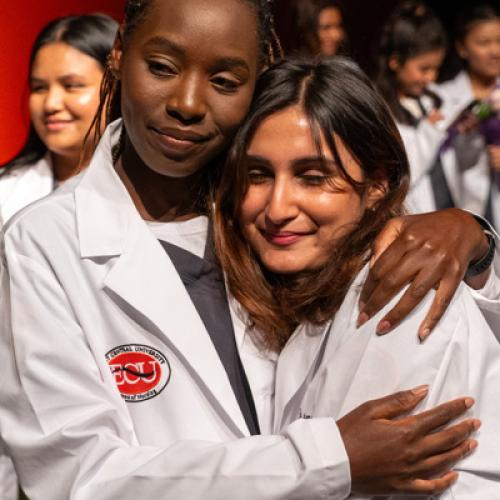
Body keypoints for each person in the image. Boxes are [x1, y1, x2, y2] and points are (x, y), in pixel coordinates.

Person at [0, 0, 496, 498]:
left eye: (225, 81)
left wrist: (473, 236)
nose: (188, 103)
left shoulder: (263, 218)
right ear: (119, 56)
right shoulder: (43, 242)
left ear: (257, 81)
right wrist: (328, 459)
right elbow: (79, 477)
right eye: (161, 67)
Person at [214, 56, 500, 497]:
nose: (277, 208)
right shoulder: (283, 291)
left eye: (313, 177)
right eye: (258, 175)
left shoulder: (406, 299)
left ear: (378, 182)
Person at [0, 14, 118, 228]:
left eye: (72, 85)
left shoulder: (162, 193)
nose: (51, 104)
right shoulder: (5, 191)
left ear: (117, 90)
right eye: (39, 88)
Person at [375, 1, 449, 214]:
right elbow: (403, 175)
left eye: (436, 68)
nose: (431, 77)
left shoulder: (432, 99)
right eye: (424, 69)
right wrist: (430, 131)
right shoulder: (383, 111)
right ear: (395, 62)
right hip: (416, 218)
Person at [436, 3, 500, 228]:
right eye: (484, 43)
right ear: (462, 47)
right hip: (458, 213)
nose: (495, 51)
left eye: (499, 41)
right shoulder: (441, 99)